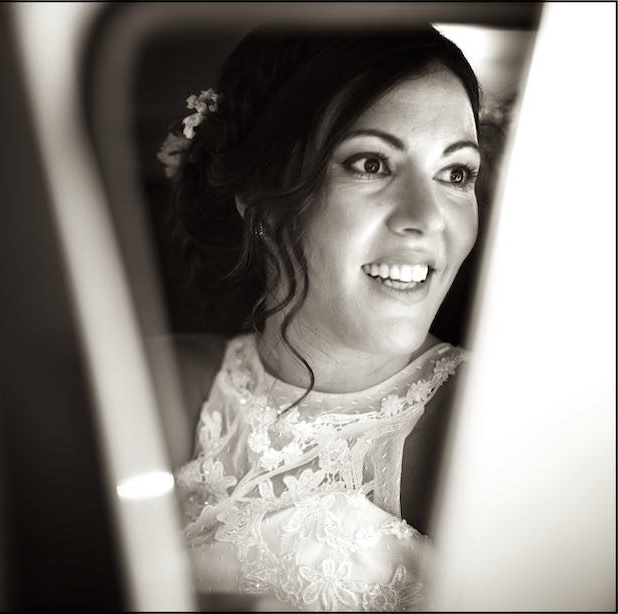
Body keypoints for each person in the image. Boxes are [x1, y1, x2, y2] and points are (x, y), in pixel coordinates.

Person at [155, 24, 497, 611]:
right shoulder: (158, 382)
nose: (426, 218)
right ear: (261, 197)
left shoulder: (488, 429)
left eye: (456, 173)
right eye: (372, 163)